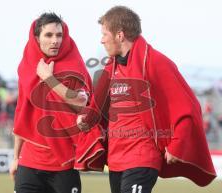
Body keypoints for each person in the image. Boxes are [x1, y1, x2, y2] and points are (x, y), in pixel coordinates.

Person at [77, 6, 216, 193]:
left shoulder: (156, 62)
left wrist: (178, 143)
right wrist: (86, 117)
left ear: (120, 35)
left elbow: (188, 106)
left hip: (143, 157)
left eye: (104, 34)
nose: (101, 39)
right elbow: (97, 106)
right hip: (116, 160)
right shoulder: (110, 69)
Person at [10, 12, 105, 193]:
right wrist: (15, 157)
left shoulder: (73, 63)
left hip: (64, 164)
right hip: (29, 162)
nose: (55, 40)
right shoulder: (26, 67)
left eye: (59, 35)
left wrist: (49, 79)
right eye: (49, 35)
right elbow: (22, 112)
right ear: (37, 38)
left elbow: (81, 102)